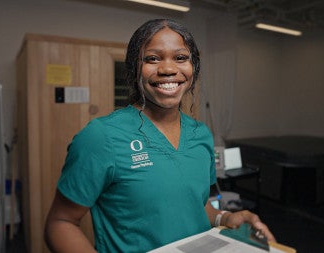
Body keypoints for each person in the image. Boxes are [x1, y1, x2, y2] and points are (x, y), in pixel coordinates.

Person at [44, 18, 275, 253]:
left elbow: (197, 206)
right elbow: (61, 223)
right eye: (152, 58)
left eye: (180, 58)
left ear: (193, 67)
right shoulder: (101, 137)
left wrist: (224, 219)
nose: (167, 69)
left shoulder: (201, 135)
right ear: (135, 68)